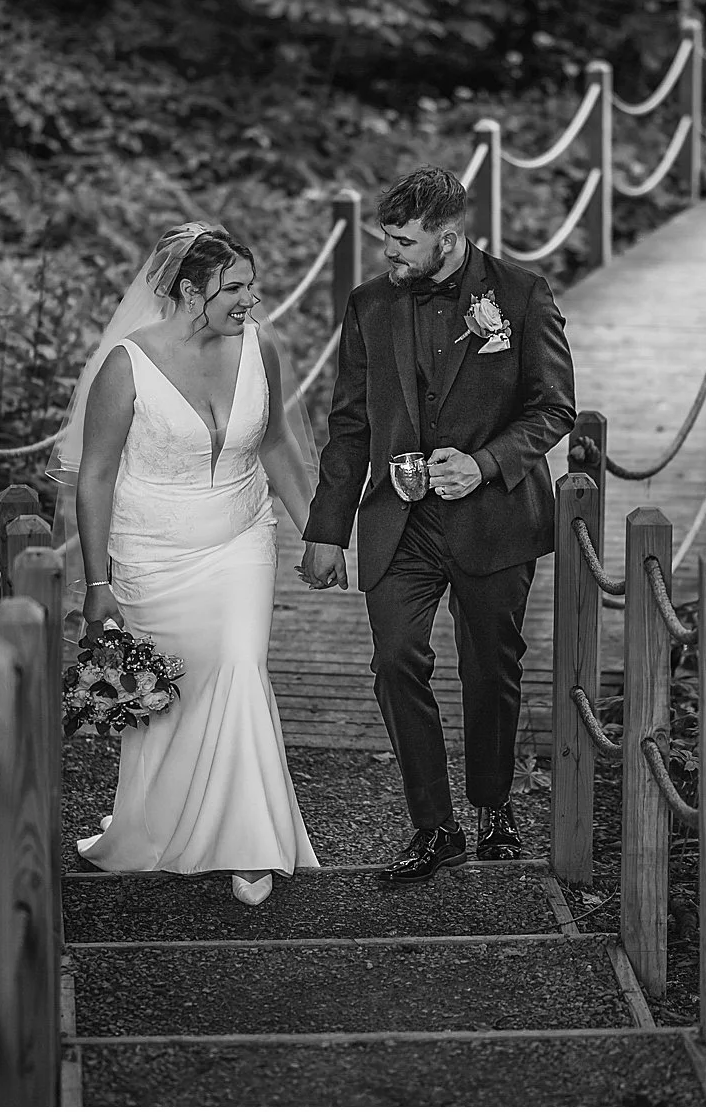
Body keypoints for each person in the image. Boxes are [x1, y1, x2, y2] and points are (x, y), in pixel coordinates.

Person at [299, 166, 577, 884]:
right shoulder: (369, 304)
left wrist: (483, 464)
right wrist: (325, 530)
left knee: (491, 668)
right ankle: (433, 825)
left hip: (494, 519)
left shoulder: (519, 295)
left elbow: (552, 409)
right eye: (386, 240)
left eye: (400, 242)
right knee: (395, 661)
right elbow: (350, 422)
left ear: (448, 238)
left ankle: (492, 808)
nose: (387, 255)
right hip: (400, 521)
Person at [48, 222, 320, 906]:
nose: (249, 300)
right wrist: (98, 582)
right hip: (150, 553)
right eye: (233, 288)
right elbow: (96, 475)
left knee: (237, 669)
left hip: (240, 540)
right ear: (189, 290)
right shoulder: (127, 364)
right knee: (171, 702)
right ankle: (153, 827)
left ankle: (249, 845)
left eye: (251, 285)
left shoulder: (265, 348)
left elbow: (280, 443)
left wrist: (321, 533)